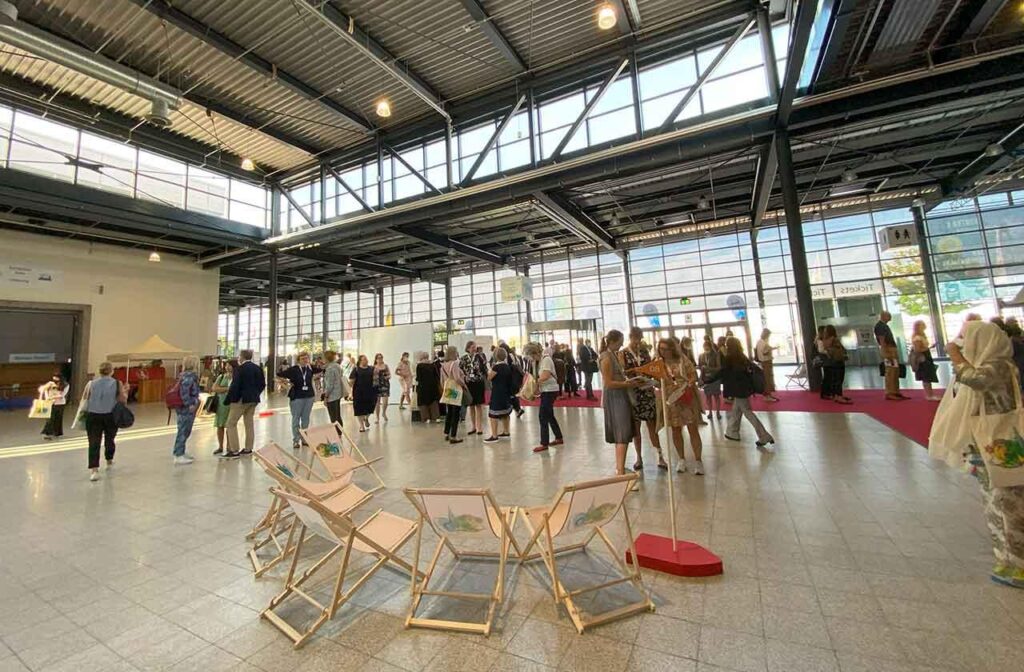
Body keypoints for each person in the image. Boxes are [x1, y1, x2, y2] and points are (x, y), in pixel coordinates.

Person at [929, 321, 1024, 588]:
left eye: (967, 340)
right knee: (994, 504)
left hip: (999, 440)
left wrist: (954, 354)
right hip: (985, 443)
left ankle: (1018, 563)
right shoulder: (991, 365)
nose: (962, 346)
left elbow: (975, 380)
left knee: (1008, 504)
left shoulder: (998, 367)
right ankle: (1005, 558)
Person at [709, 338, 775, 448]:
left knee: (747, 412)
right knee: (736, 410)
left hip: (737, 389)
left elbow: (722, 372)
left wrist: (708, 380)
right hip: (745, 388)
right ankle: (732, 432)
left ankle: (764, 435)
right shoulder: (741, 356)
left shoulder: (729, 358)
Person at [598, 330, 644, 479]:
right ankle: (620, 472)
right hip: (615, 398)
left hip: (620, 396)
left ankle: (621, 468)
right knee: (622, 434)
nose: (622, 344)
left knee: (623, 433)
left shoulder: (613, 355)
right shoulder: (606, 357)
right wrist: (627, 384)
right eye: (620, 341)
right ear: (613, 341)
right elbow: (608, 383)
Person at [656, 337, 705, 475]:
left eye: (666, 349)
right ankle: (681, 459)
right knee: (676, 430)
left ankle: (698, 460)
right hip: (670, 399)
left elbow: (693, 375)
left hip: (686, 396)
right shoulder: (658, 363)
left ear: (672, 348)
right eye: (661, 349)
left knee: (692, 429)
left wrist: (688, 384)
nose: (663, 352)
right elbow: (656, 380)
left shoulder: (682, 359)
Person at [623, 327, 666, 470]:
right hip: (633, 393)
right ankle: (638, 457)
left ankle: (660, 456)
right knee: (636, 428)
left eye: (640, 339)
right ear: (630, 337)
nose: (638, 342)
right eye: (636, 339)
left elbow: (651, 369)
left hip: (647, 392)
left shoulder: (644, 352)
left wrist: (651, 378)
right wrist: (635, 372)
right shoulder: (623, 353)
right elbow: (623, 372)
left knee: (652, 426)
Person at [81, 362, 127, 481]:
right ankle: (109, 460)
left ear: (99, 371)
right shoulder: (117, 383)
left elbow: (85, 398)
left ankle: (94, 470)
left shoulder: (91, 383)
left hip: (93, 415)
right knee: (110, 438)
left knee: (94, 442)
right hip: (110, 415)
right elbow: (122, 399)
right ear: (111, 371)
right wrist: (125, 391)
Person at [224, 349, 265, 458]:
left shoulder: (239, 369)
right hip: (253, 399)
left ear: (242, 357)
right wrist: (256, 393)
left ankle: (234, 450)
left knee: (231, 423)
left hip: (241, 400)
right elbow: (262, 384)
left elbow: (235, 385)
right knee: (249, 423)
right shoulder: (257, 368)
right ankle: (248, 448)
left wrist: (229, 399)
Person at [524, 342, 564, 453]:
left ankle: (544, 443)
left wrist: (533, 383)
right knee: (549, 415)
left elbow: (545, 376)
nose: (530, 357)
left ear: (534, 353)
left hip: (550, 390)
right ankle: (559, 437)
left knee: (543, 416)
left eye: (530, 355)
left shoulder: (546, 360)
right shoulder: (538, 362)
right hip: (546, 390)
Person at [277, 352, 321, 449]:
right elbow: (279, 374)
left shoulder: (310, 368)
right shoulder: (294, 369)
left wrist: (315, 377)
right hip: (297, 397)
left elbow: (322, 370)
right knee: (296, 418)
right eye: (303, 359)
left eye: (306, 358)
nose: (305, 360)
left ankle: (304, 439)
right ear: (298, 360)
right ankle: (296, 440)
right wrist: (287, 383)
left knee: (306, 419)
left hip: (309, 396)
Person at [171, 356, 201, 466]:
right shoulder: (189, 377)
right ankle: (178, 454)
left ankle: (181, 451)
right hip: (186, 407)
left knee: (185, 430)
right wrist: (189, 404)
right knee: (183, 430)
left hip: (185, 406)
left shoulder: (185, 376)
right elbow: (184, 392)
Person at [875, 311, 908, 401]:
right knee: (890, 371)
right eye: (888, 316)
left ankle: (895, 391)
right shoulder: (880, 326)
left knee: (895, 371)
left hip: (891, 349)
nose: (890, 317)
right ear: (884, 316)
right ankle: (889, 392)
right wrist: (886, 352)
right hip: (888, 349)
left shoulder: (884, 326)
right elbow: (882, 340)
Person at [485, 347, 515, 442]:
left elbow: (489, 378)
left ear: (495, 356)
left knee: (493, 414)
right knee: (505, 413)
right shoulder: (507, 366)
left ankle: (494, 436)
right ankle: (506, 432)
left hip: (497, 393)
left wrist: (489, 369)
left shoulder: (496, 367)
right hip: (506, 392)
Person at [460, 341, 487, 436]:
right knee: (471, 405)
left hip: (478, 383)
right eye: (472, 347)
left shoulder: (480, 357)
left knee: (478, 405)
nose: (474, 349)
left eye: (475, 347)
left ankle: (479, 427)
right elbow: (460, 370)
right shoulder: (463, 358)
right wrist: (464, 378)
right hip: (469, 384)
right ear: (468, 348)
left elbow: (484, 369)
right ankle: (473, 426)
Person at [440, 346, 467, 443]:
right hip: (455, 388)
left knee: (450, 412)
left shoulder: (443, 365)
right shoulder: (454, 364)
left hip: (448, 388)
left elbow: (442, 381)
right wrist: (464, 385)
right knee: (456, 412)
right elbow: (457, 378)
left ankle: (446, 433)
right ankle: (453, 436)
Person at [910, 321, 940, 401]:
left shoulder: (920, 336)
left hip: (925, 356)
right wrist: (926, 349)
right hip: (923, 358)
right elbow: (917, 349)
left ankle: (930, 394)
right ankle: (929, 395)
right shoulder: (917, 338)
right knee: (926, 376)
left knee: (927, 376)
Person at [821, 325, 852, 404]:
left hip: (835, 360)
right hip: (836, 361)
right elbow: (833, 348)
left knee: (837, 379)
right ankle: (838, 395)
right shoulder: (831, 339)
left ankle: (836, 395)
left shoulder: (827, 339)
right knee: (838, 379)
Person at [211, 361, 234, 456]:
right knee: (220, 425)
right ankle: (220, 446)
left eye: (230, 365)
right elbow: (214, 388)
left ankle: (229, 446)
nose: (227, 367)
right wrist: (227, 389)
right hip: (221, 404)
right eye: (226, 365)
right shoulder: (221, 377)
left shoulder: (236, 377)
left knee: (229, 425)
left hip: (232, 404)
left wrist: (222, 389)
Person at [349, 355, 377, 432]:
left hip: (370, 391)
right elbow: (351, 381)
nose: (366, 360)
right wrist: (350, 392)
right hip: (358, 392)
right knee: (359, 409)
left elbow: (375, 379)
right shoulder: (356, 369)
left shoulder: (371, 369)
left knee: (370, 407)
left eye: (366, 359)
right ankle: (361, 426)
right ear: (360, 361)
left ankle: (366, 418)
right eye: (364, 359)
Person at [38, 372, 69, 441]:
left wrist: (52, 397)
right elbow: (42, 389)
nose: (54, 379)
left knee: (58, 418)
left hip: (60, 404)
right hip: (51, 403)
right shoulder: (50, 383)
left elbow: (62, 395)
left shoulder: (66, 385)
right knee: (50, 418)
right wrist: (46, 396)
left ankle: (56, 432)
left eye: (56, 378)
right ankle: (47, 433)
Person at [698, 339, 723, 420]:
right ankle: (710, 412)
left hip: (715, 378)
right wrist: (701, 377)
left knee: (716, 396)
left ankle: (718, 412)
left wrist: (709, 368)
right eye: (704, 347)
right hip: (706, 379)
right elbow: (700, 367)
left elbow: (719, 368)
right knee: (708, 396)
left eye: (707, 347)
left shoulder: (716, 355)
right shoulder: (701, 356)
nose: (706, 348)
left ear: (711, 347)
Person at [322, 350, 347, 426]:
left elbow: (330, 385)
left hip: (332, 396)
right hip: (338, 394)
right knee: (337, 416)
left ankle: (337, 431)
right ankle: (340, 431)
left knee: (333, 418)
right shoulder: (337, 366)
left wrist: (326, 396)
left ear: (326, 358)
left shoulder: (330, 369)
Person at [754, 329, 780, 402]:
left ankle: (768, 395)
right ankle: (767, 396)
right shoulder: (763, 343)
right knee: (767, 379)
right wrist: (770, 349)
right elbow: (765, 352)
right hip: (766, 362)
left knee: (766, 379)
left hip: (763, 362)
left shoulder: (759, 342)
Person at [415, 351, 441, 423]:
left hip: (423, 386)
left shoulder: (419, 366)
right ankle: (436, 417)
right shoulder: (432, 365)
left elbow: (419, 377)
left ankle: (426, 418)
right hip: (433, 386)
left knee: (423, 402)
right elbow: (436, 376)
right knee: (433, 402)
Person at [373, 353, 391, 424]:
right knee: (377, 402)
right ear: (376, 359)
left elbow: (389, 374)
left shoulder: (385, 366)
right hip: (377, 385)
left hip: (385, 384)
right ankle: (377, 418)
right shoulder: (374, 367)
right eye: (378, 358)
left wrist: (387, 377)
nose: (380, 359)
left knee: (385, 401)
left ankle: (384, 413)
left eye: (381, 358)